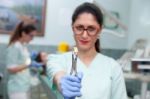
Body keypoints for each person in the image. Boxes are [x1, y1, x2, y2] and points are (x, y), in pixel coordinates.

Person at [47, 2, 127, 99]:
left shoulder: (113, 67)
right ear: (73, 28)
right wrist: (62, 81)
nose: (84, 35)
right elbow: (58, 75)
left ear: (99, 30)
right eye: (79, 28)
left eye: (91, 28)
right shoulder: (57, 60)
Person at [6, 22, 42, 99]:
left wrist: (30, 59)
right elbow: (11, 69)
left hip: (24, 85)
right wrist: (29, 64)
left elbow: (22, 63)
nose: (32, 39)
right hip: (17, 88)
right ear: (23, 33)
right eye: (31, 36)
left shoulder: (23, 46)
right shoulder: (15, 46)